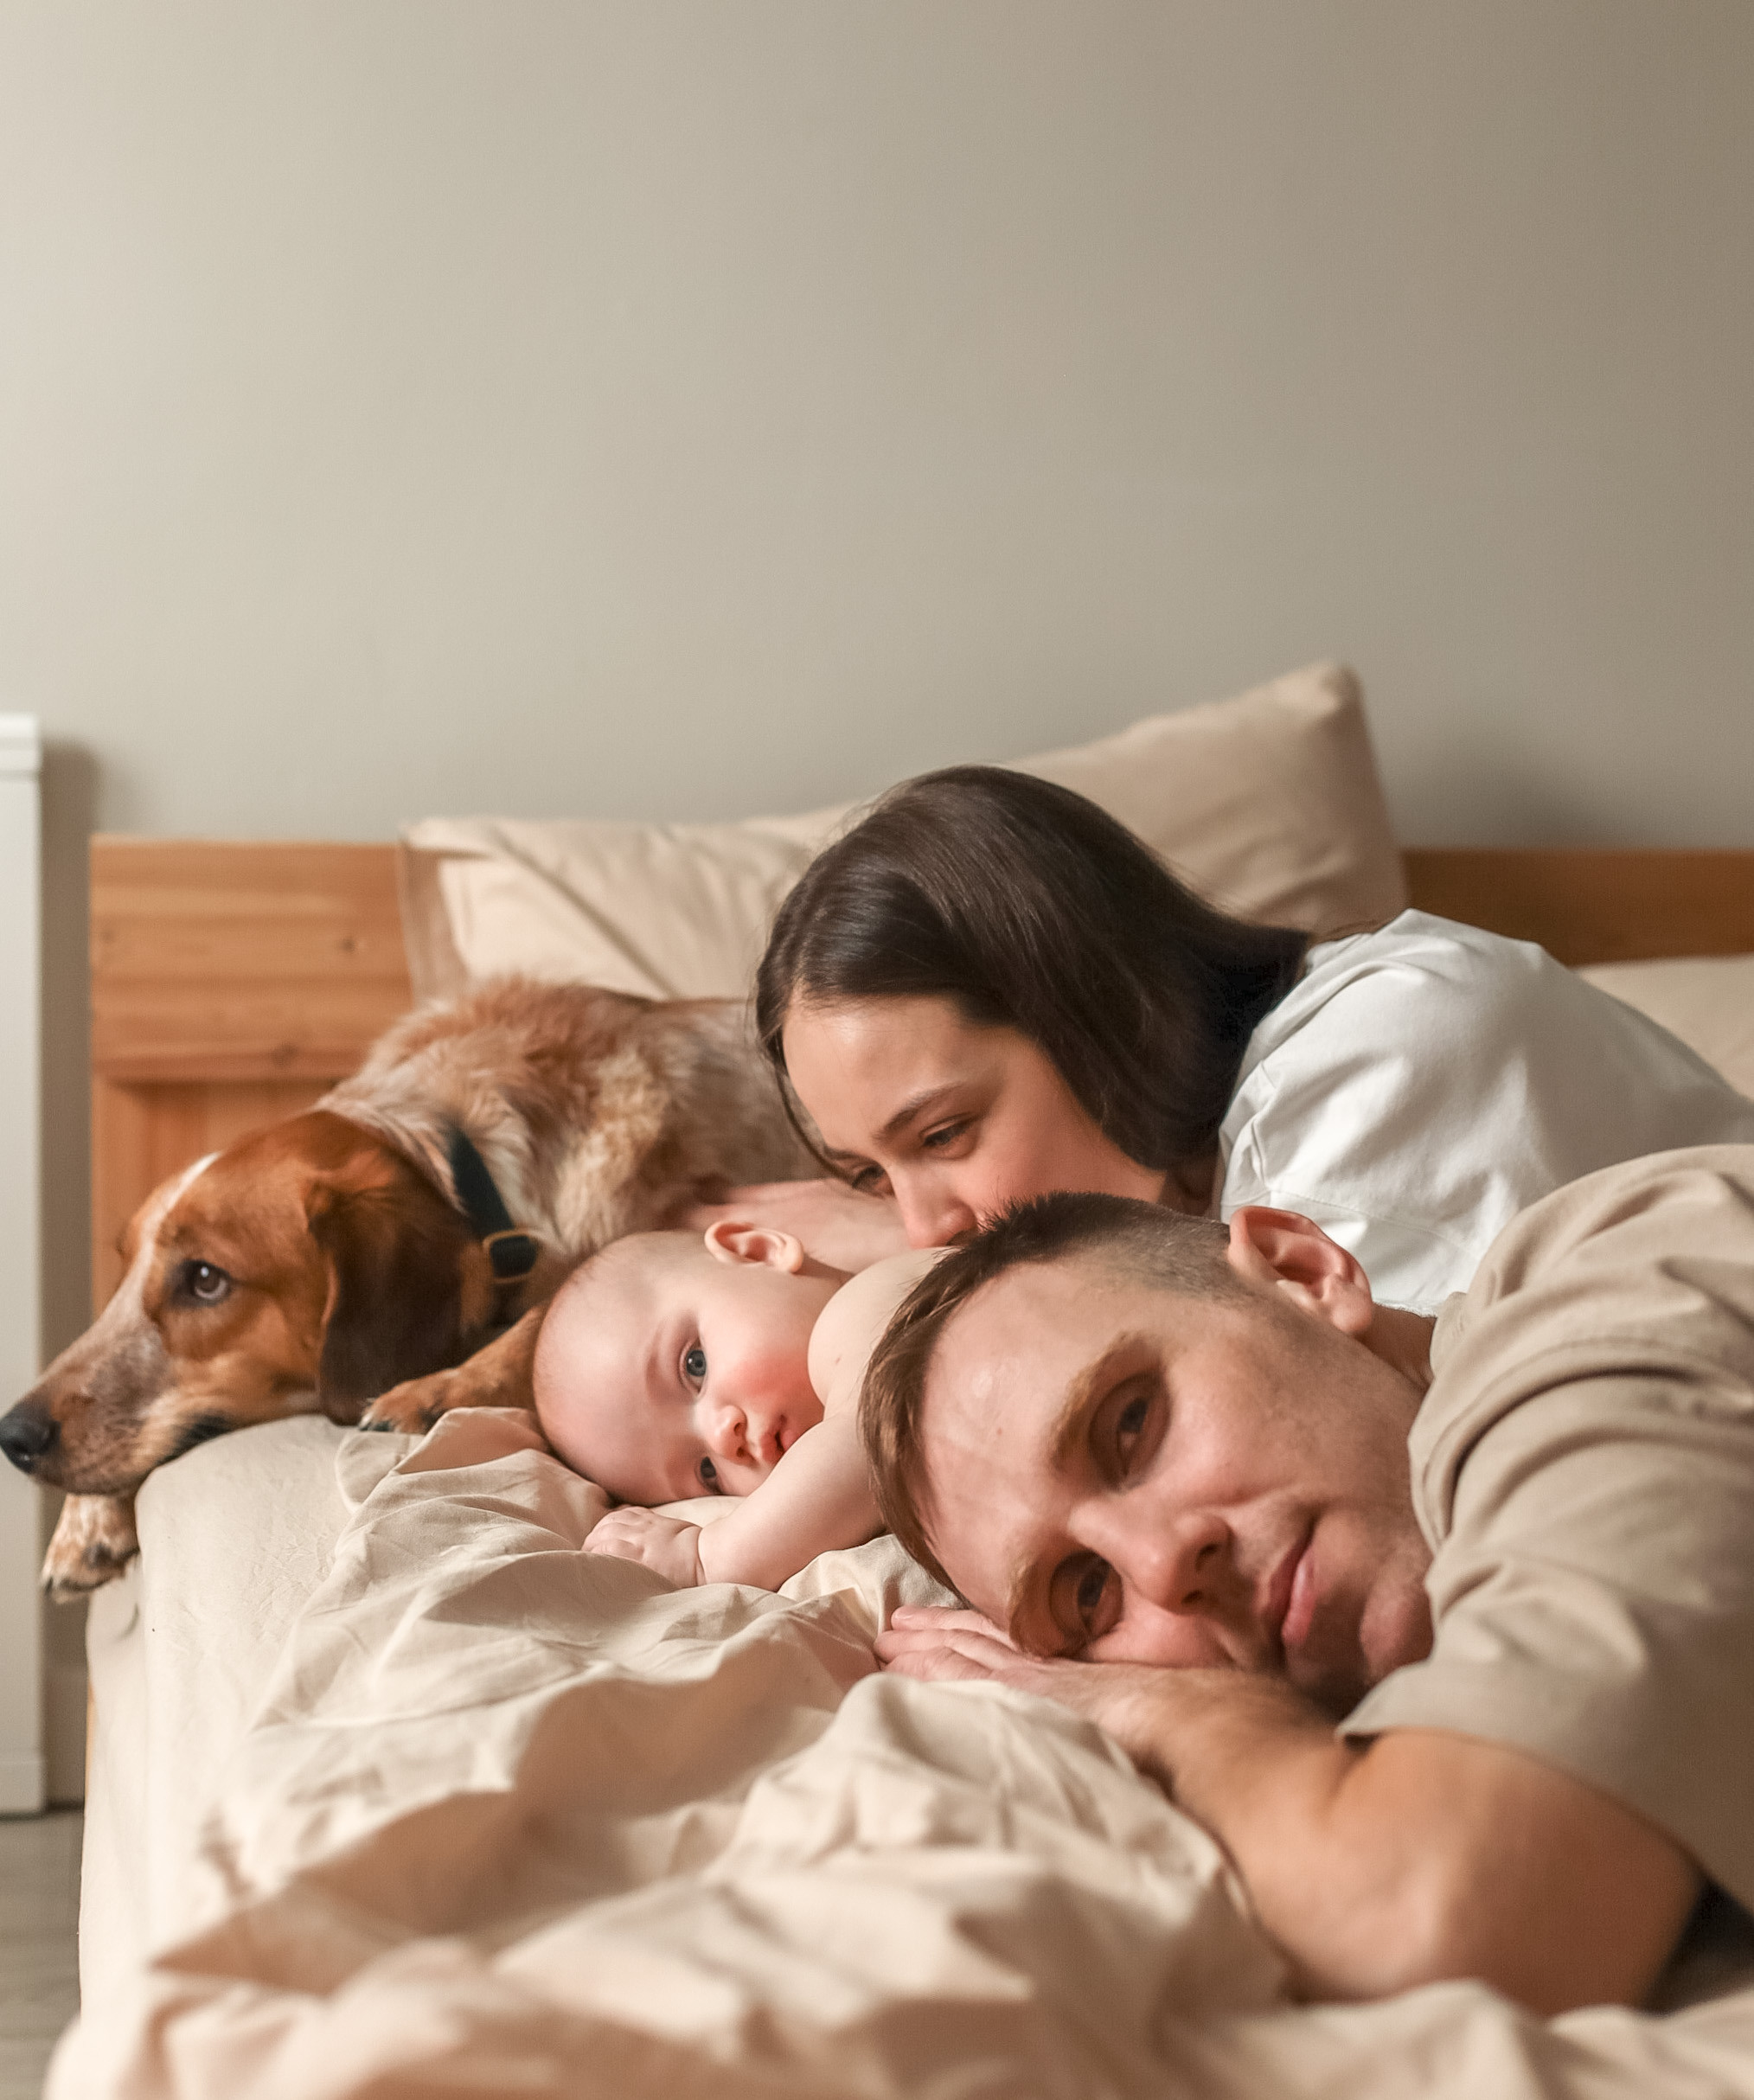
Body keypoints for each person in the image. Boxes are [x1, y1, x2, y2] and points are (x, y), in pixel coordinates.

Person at [861, 1151, 1754, 2015]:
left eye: (1131, 1424)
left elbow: (1439, 1915)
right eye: (1087, 1593)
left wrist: (1176, 1715)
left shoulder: (1616, 1290)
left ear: (1303, 1271)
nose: (1161, 1567)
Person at [709, 765, 1754, 1309]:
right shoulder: (1185, 1188)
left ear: (1094, 1005)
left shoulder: (1390, 1050)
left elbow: (1338, 1434)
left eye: (942, 1136)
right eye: (871, 1179)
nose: (923, 1231)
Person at [535, 1219, 936, 1590]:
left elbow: (867, 1441)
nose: (723, 1437)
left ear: (757, 1252)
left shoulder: (869, 1303)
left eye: (696, 1367)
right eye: (708, 1472)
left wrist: (706, 1557)